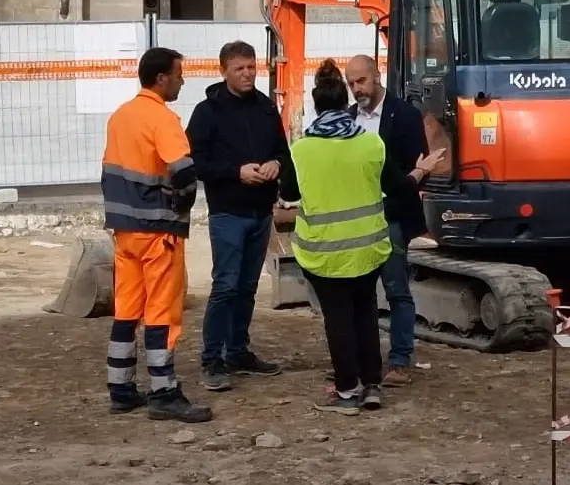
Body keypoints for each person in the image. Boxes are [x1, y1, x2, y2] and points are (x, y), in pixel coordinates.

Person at [278, 59, 444, 415]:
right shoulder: (371, 145)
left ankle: (346, 391)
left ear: (316, 106)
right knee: (365, 314)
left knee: (338, 319)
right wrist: (420, 171)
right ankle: (371, 385)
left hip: (324, 251)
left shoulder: (302, 150)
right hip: (369, 247)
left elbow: (289, 192)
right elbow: (397, 187)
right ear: (345, 103)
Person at [100, 46, 212, 424]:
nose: (183, 80)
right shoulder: (163, 119)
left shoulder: (120, 116)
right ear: (161, 78)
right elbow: (184, 172)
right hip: (158, 230)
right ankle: (164, 392)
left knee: (127, 310)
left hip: (125, 230)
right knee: (162, 312)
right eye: (179, 74)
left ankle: (121, 389)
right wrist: (181, 206)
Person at [186, 40, 290, 392]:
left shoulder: (266, 107)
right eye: (239, 68)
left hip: (261, 212)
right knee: (226, 286)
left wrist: (277, 164)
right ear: (224, 71)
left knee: (247, 287)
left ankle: (238, 352)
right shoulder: (207, 112)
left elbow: (283, 151)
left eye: (251, 67)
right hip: (228, 212)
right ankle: (212, 359)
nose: (247, 74)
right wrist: (236, 172)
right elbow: (195, 162)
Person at [344, 54, 432, 388]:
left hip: (391, 217)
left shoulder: (405, 115)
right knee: (359, 293)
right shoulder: (349, 119)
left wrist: (392, 198)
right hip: (357, 220)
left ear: (377, 76)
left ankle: (400, 360)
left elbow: (419, 167)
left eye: (361, 81)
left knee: (396, 290)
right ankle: (361, 362)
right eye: (351, 84)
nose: (357, 89)